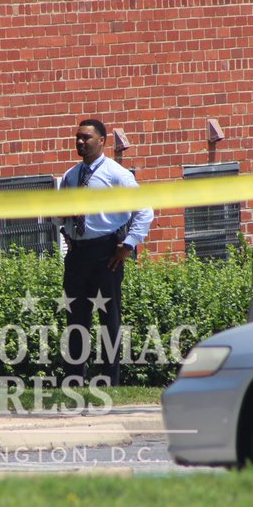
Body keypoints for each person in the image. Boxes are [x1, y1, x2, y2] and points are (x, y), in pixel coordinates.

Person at [59, 118, 153, 386]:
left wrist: (128, 245)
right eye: (78, 137)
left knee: (108, 317)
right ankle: (75, 378)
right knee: (76, 316)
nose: (80, 142)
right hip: (78, 254)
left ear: (102, 141)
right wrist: (66, 228)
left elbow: (144, 210)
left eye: (86, 138)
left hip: (107, 253)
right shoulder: (70, 176)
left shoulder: (117, 175)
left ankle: (109, 379)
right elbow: (58, 215)